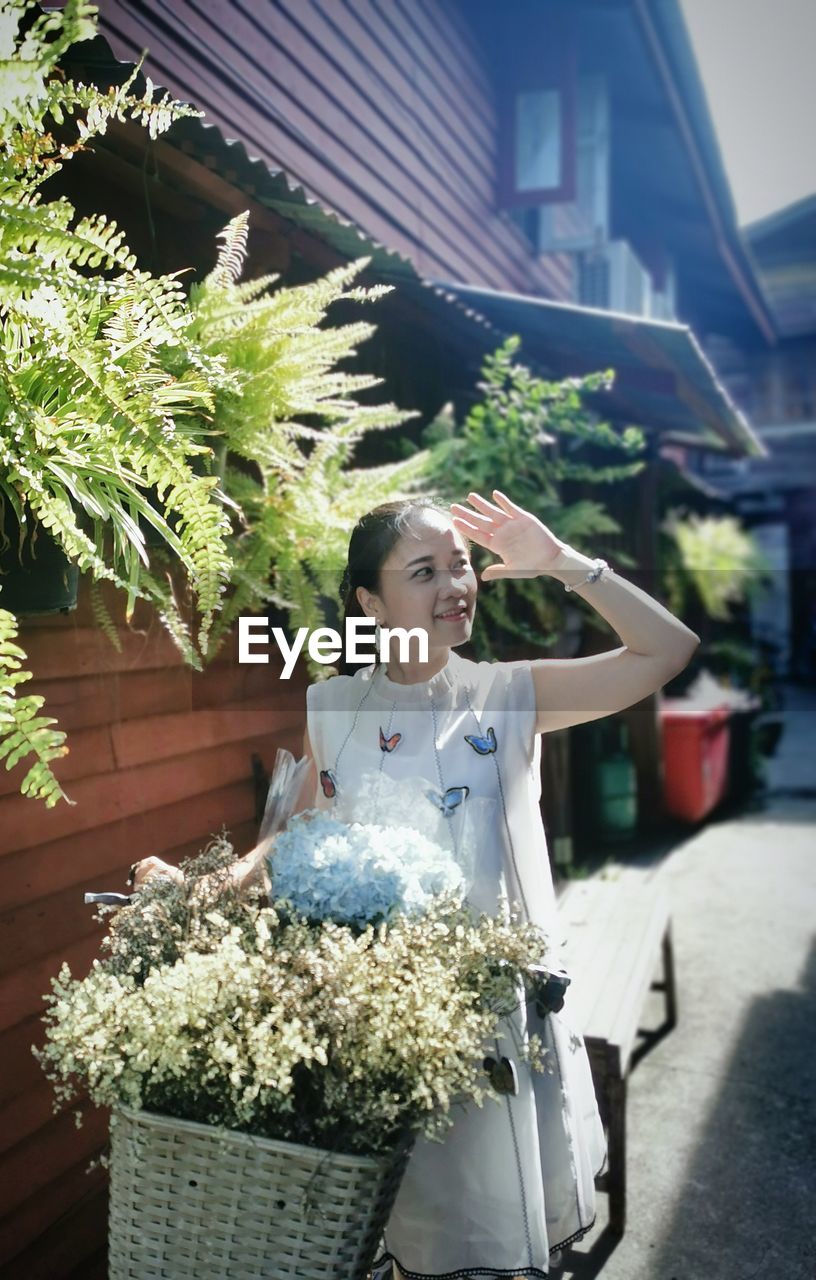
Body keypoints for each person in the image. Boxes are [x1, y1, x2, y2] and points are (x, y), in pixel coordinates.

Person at [133, 489, 699, 1279]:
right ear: (370, 600)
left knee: (500, 1235)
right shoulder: (331, 706)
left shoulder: (510, 696)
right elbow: (299, 831)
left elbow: (667, 651)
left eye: (461, 565)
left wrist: (564, 564)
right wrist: (204, 886)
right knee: (417, 1233)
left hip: (496, 1017)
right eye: (425, 570)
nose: (455, 584)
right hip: (388, 1022)